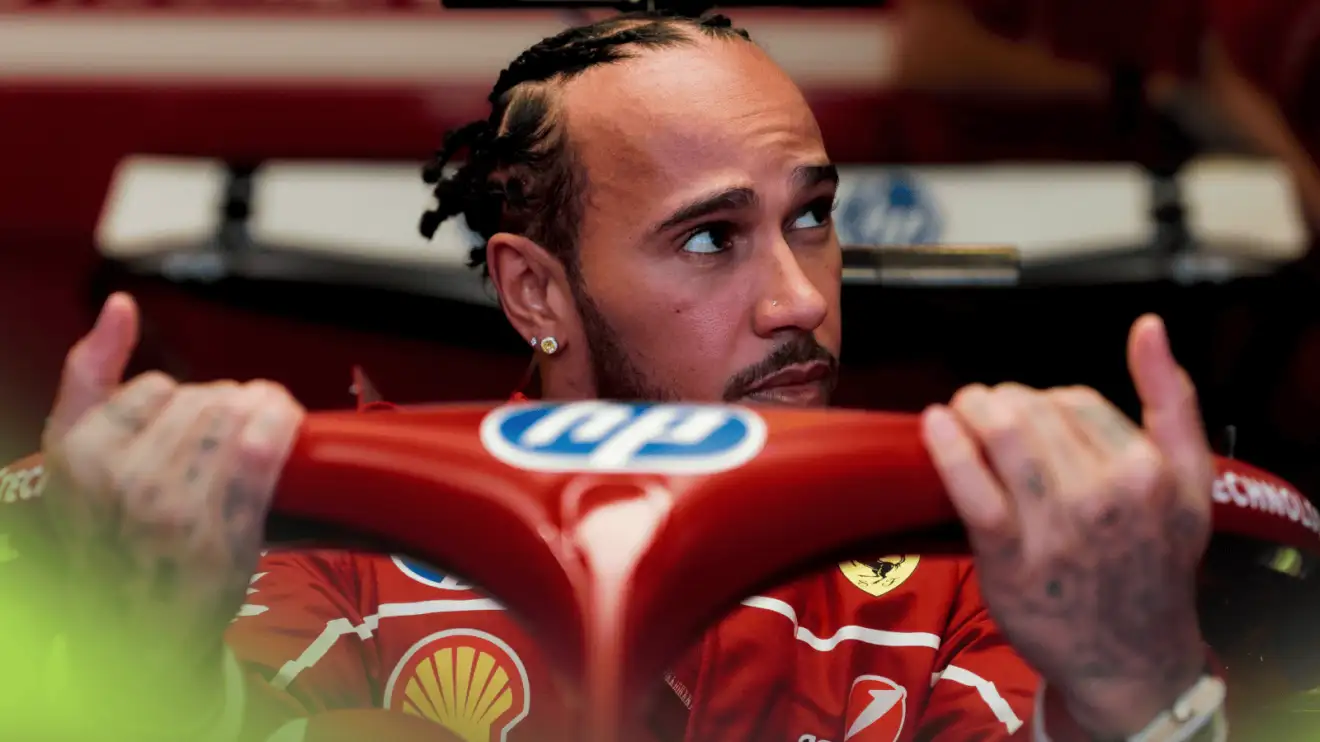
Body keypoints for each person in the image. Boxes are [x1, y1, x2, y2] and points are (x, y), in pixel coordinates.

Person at [16, 11, 1226, 742]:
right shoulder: (332, 535)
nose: (800, 298)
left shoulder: (984, 561)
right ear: (537, 292)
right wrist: (161, 665)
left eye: (810, 221)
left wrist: (1145, 691)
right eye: (712, 238)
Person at [891, 0, 1320, 232]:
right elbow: (928, 54)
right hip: (976, 208)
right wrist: (1125, 86)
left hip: (1131, 226)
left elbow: (1212, 87)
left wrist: (1307, 190)